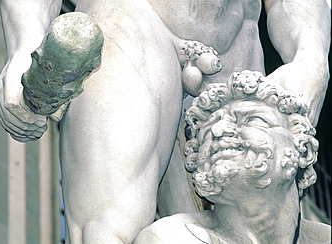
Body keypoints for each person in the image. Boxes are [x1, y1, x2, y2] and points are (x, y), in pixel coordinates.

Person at [0, 0, 330, 243]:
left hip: (233, 50)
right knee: (110, 232)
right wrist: (25, 42)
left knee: (255, 231)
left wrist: (311, 53)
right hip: (128, 21)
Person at [134, 71, 331, 244]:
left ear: (303, 150)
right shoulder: (174, 237)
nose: (219, 130)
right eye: (207, 131)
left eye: (252, 119)